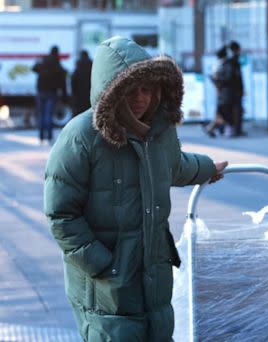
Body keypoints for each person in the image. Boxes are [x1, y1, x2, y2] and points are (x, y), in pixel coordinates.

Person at [44, 37, 228, 341]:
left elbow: (175, 166)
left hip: (154, 278)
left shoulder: (159, 130)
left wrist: (208, 168)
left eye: (147, 89)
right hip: (106, 293)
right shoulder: (80, 136)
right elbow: (61, 214)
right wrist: (102, 264)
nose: (140, 98)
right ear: (111, 90)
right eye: (130, 90)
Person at [33, 45, 67, 144]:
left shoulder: (43, 62)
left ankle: (40, 137)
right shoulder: (58, 65)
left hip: (41, 92)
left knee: (41, 115)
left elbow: (34, 68)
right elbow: (63, 83)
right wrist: (64, 97)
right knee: (48, 115)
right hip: (52, 93)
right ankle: (49, 137)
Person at [206, 46, 232, 138]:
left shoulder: (225, 65)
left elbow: (226, 78)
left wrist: (216, 79)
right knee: (221, 112)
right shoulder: (222, 65)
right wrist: (215, 79)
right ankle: (212, 128)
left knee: (222, 111)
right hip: (222, 92)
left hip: (224, 92)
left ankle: (211, 128)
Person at [228, 41, 245, 136]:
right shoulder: (234, 61)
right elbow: (237, 77)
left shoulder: (232, 61)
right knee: (237, 110)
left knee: (236, 110)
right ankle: (237, 130)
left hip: (233, 90)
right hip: (235, 90)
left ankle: (236, 129)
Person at [70, 50, 93, 116]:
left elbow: (73, 81)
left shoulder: (78, 66)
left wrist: (74, 94)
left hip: (79, 96)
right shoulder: (91, 66)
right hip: (89, 95)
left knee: (79, 114)